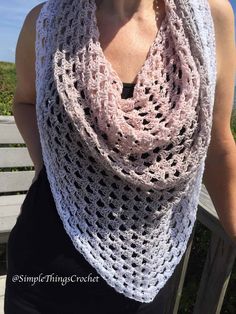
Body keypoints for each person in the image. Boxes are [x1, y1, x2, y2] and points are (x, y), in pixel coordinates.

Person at [4, 0, 236, 313]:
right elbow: (25, 103)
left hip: (151, 266)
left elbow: (218, 140)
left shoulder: (210, 18)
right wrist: (49, 164)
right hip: (46, 270)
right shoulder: (44, 22)